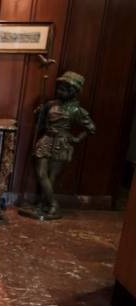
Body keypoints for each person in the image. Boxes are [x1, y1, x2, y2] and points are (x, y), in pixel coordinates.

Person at [31, 71, 95, 219]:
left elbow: (91, 128)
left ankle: (45, 204)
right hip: (46, 140)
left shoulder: (77, 110)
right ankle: (53, 203)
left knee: (52, 177)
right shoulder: (50, 104)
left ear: (74, 91)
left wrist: (77, 139)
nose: (60, 91)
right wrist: (39, 114)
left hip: (62, 144)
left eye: (65, 89)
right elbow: (41, 123)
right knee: (41, 173)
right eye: (59, 88)